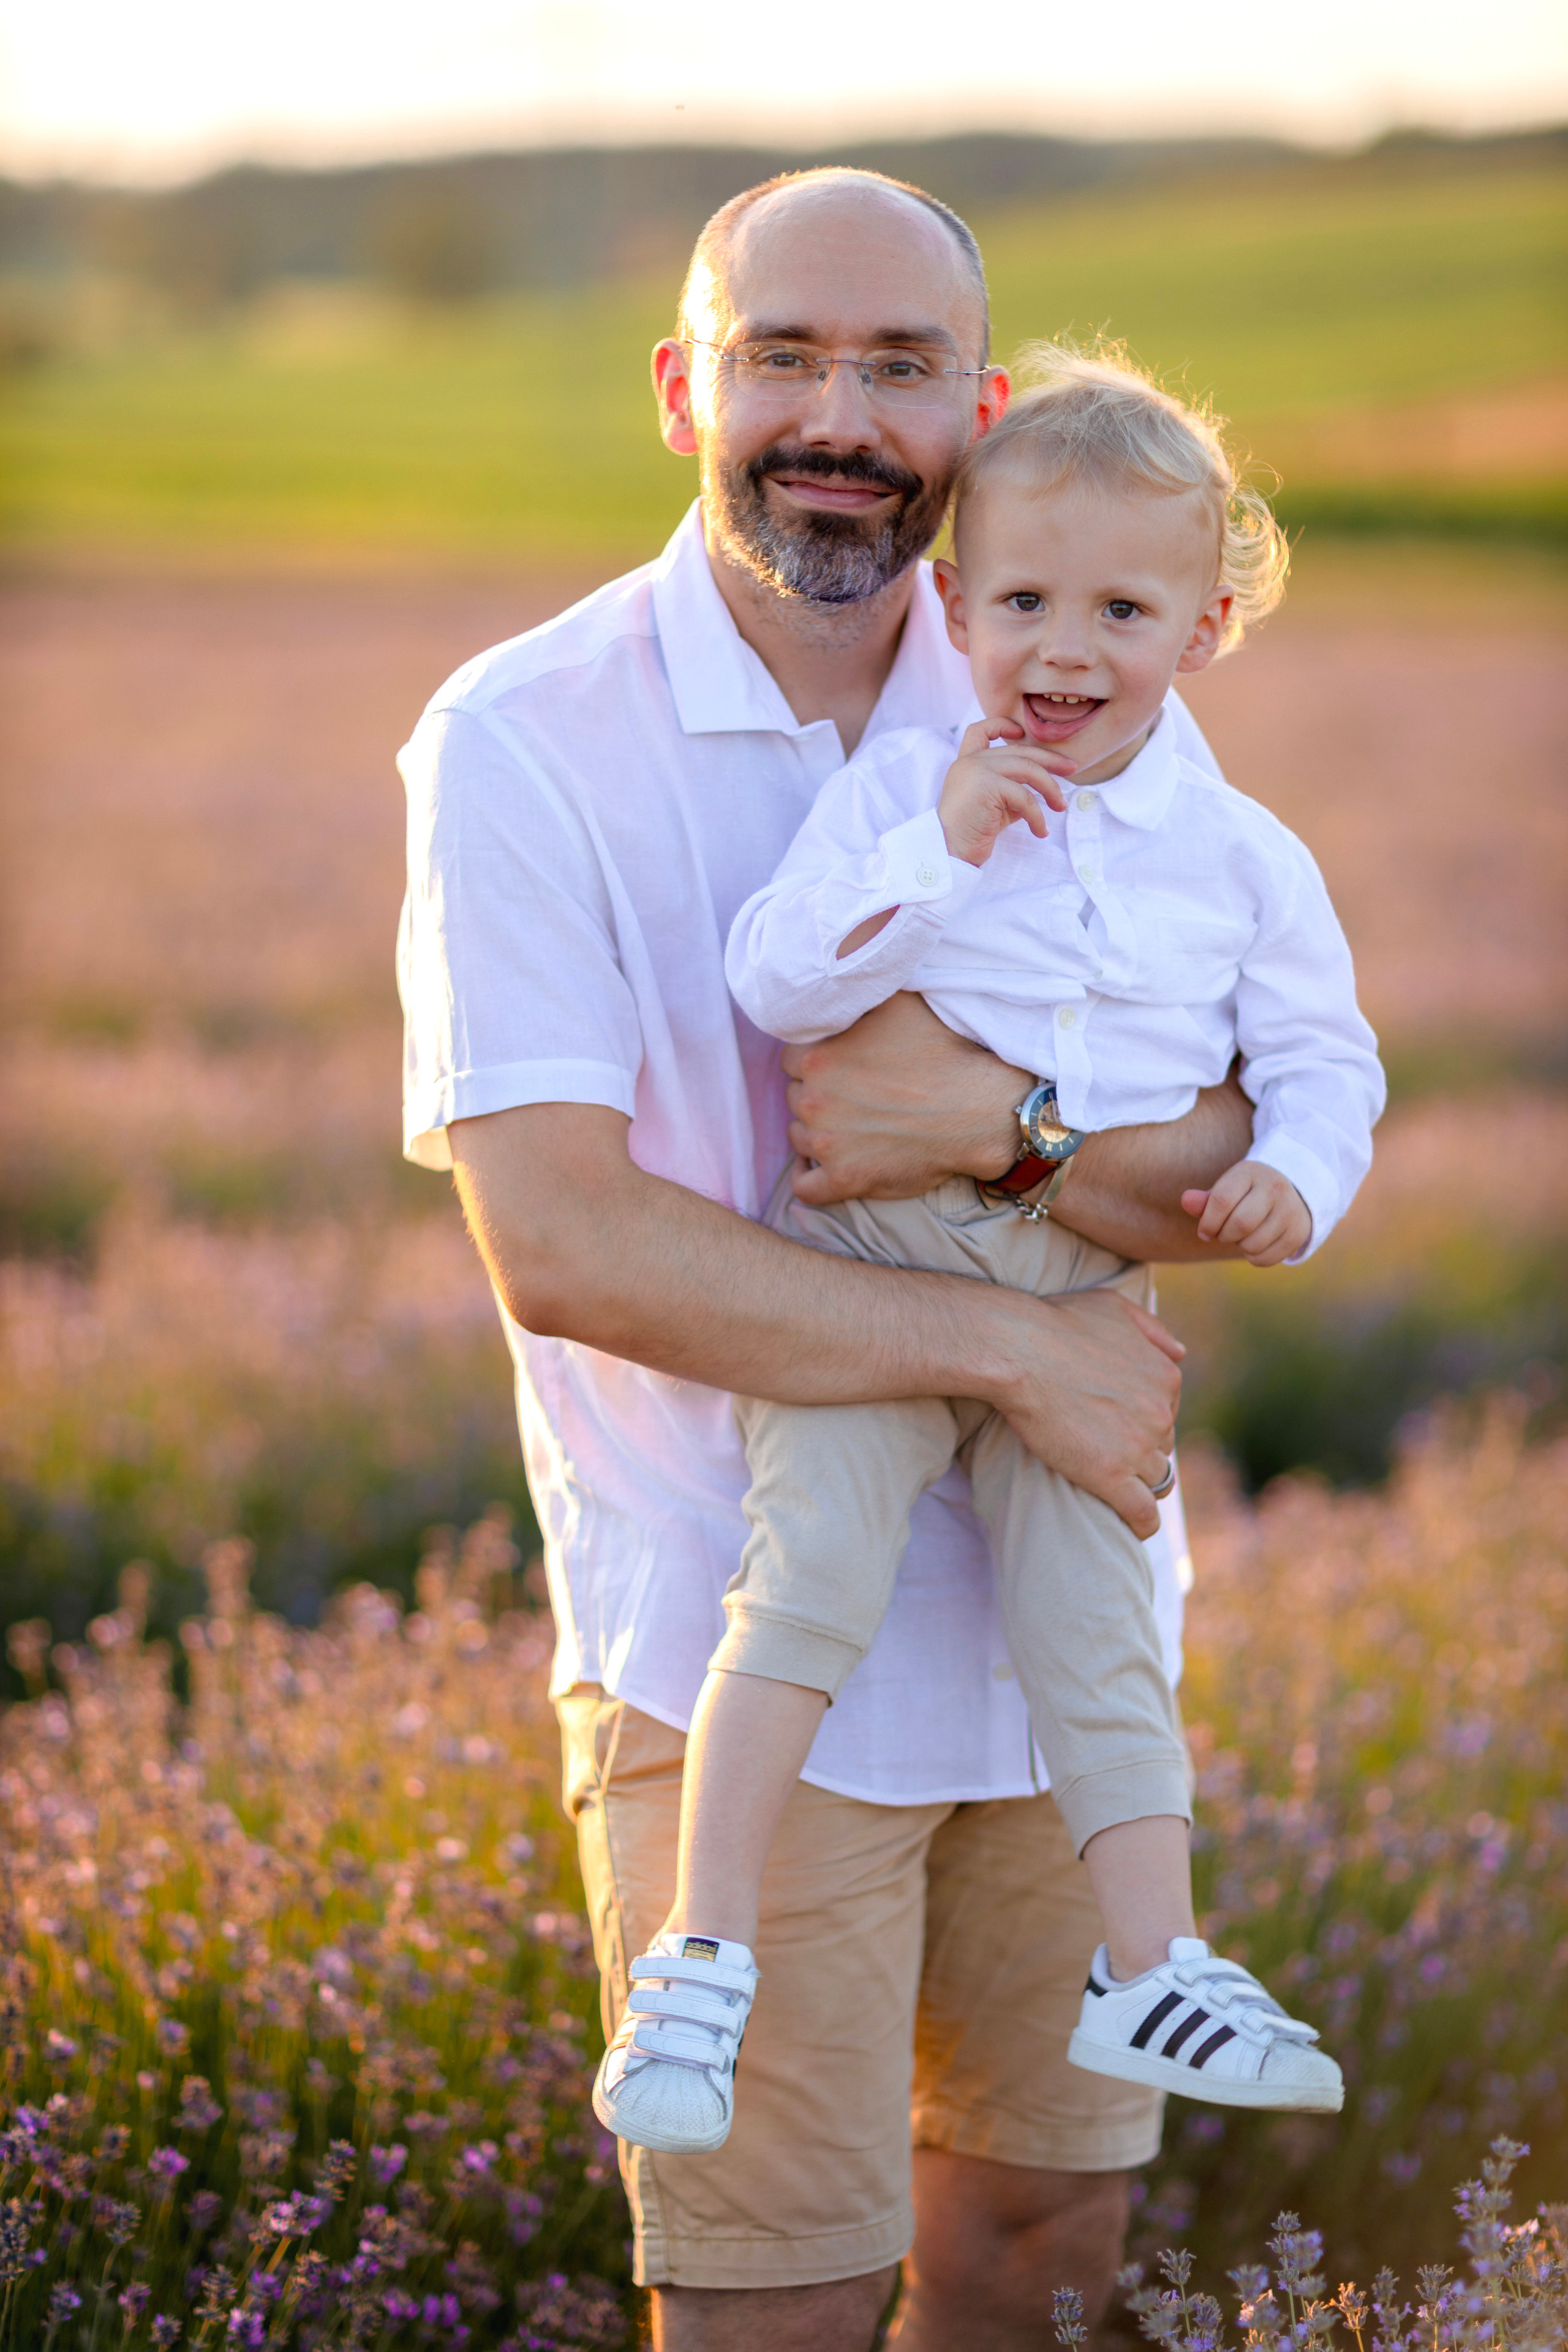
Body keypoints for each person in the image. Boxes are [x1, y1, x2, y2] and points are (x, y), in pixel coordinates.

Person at [399, 167, 1263, 2352]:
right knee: (775, 2292)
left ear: (976, 413)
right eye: (787, 355)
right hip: (731, 1634)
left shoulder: (1074, 688)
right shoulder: (521, 740)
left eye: (899, 368)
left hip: (1063, 1634)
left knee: (1042, 2249)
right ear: (688, 386)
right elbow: (567, 1248)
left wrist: (1003, 1132)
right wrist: (1020, 1340)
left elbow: (1236, 1142)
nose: (841, 415)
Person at [592, 344, 1383, 2164]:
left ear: (1205, 629)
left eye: (1122, 606)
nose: (1065, 647)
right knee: (807, 1582)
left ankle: (1154, 1961)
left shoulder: (1250, 863)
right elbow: (778, 980)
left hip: (1083, 1291)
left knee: (1099, 1627)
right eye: (1022, 601)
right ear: (955, 611)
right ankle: (697, 1958)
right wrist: (937, 857)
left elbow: (1327, 1061)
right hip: (874, 1258)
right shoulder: (905, 797)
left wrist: (1302, 1181)